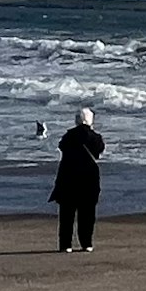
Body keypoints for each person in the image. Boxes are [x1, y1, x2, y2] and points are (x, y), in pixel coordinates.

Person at [50, 105, 104, 252]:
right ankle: (86, 243)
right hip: (89, 178)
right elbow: (99, 150)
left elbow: (62, 147)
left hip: (68, 177)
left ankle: (65, 244)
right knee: (87, 213)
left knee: (67, 214)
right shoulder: (95, 137)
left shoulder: (68, 136)